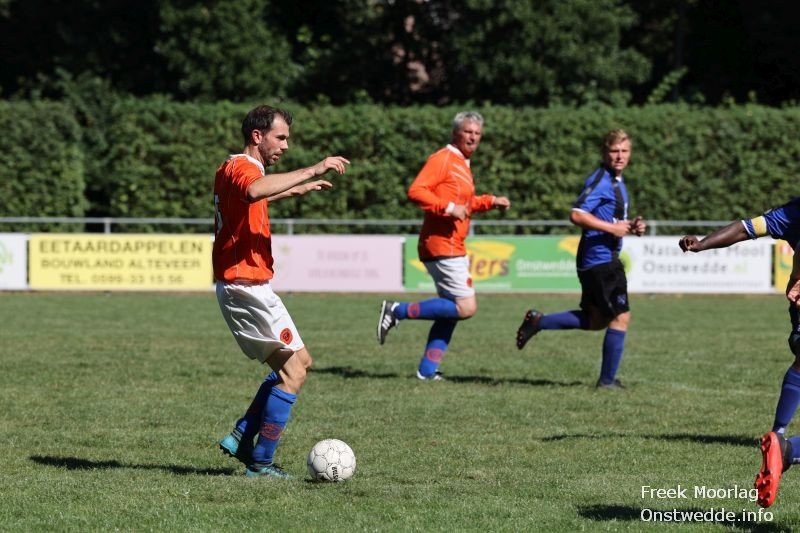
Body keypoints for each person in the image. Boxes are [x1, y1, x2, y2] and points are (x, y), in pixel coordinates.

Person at [213, 104, 349, 478]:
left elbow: (250, 200)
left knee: (300, 363)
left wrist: (295, 190)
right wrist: (313, 168)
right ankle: (260, 461)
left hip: (249, 284)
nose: (286, 146)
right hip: (244, 286)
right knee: (293, 374)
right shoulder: (245, 168)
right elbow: (254, 189)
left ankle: (242, 436)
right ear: (257, 136)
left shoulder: (230, 167)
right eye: (281, 137)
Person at [678, 198, 800, 508]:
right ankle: (784, 446)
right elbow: (746, 228)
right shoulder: (793, 212)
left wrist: (703, 244)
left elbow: (747, 228)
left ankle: (780, 440)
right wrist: (703, 244)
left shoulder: (792, 212)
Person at [376, 111, 510, 380]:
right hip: (442, 244)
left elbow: (465, 204)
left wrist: (490, 201)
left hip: (451, 244)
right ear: (455, 133)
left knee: (451, 311)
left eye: (477, 133)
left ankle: (427, 371)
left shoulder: (462, 163)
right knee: (466, 307)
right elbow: (416, 191)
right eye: (468, 131)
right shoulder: (443, 158)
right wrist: (448, 207)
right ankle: (396, 310)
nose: (473, 137)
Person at [515, 129, 646, 389]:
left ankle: (538, 321)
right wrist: (612, 228)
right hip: (601, 260)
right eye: (614, 151)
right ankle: (607, 382)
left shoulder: (617, 182)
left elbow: (607, 219)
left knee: (596, 320)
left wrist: (629, 226)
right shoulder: (601, 180)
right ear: (604, 153)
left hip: (596, 259)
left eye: (624, 151)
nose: (620, 156)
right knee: (621, 317)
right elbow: (576, 214)